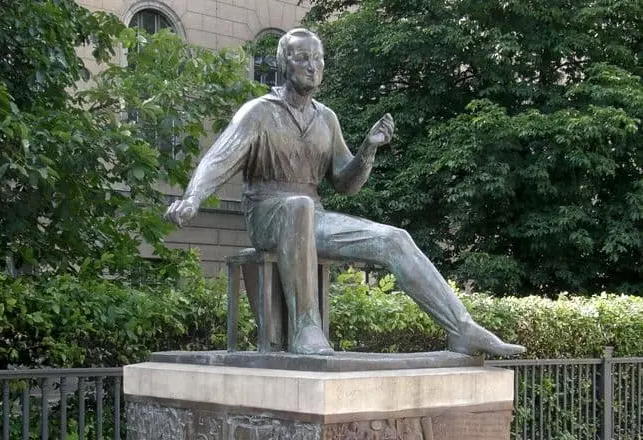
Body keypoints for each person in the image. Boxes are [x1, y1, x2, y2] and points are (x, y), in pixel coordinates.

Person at [165, 28, 525, 357]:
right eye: (302, 58)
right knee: (300, 206)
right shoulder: (258, 113)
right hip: (266, 214)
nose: (312, 66)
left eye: (318, 59)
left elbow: (346, 184)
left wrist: (367, 150)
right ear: (282, 63)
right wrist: (193, 198)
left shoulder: (327, 119)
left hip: (313, 216)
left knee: (395, 239)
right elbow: (218, 158)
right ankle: (306, 328)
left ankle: (461, 328)